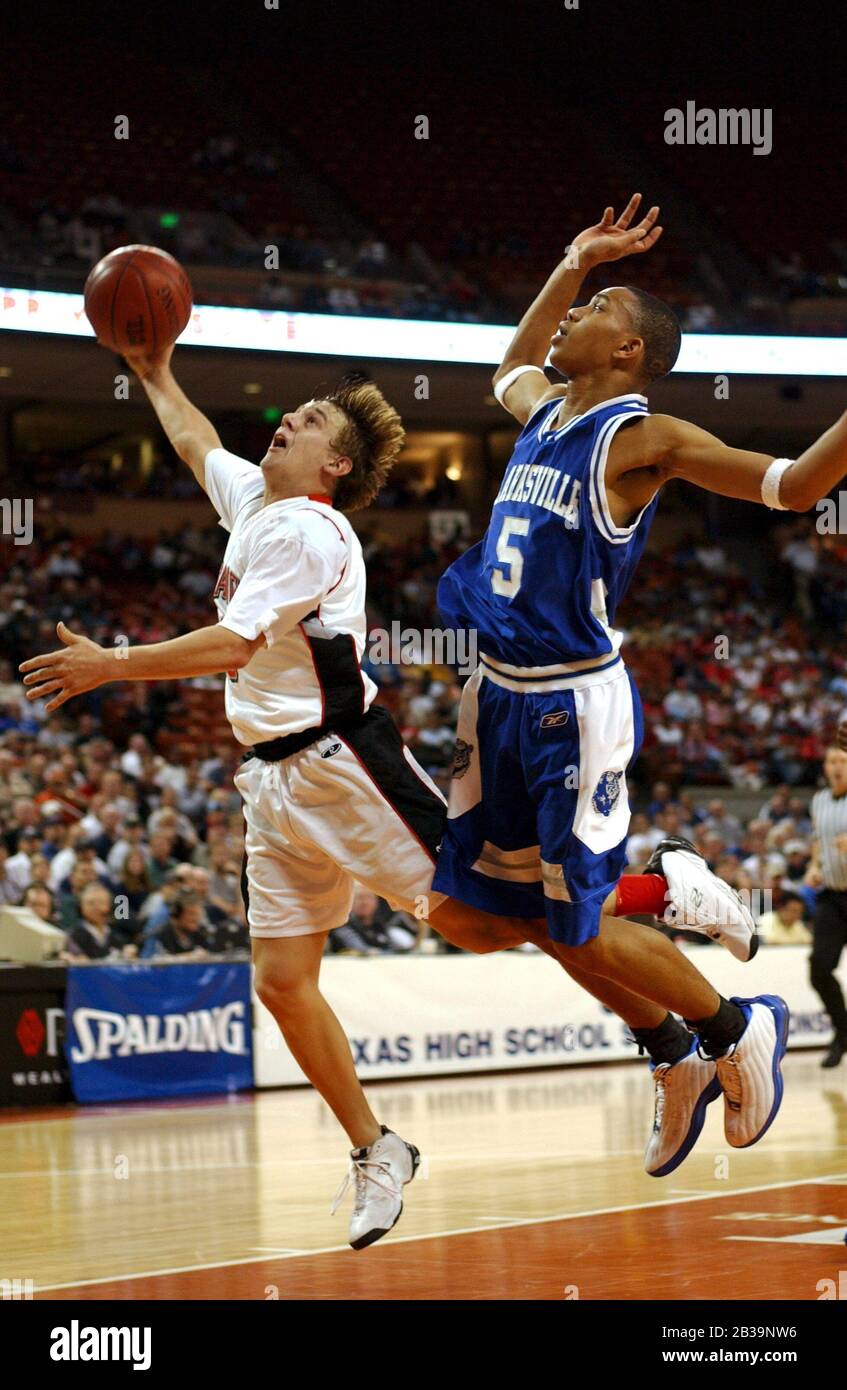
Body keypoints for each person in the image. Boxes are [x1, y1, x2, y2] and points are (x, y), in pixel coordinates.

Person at [18, 324, 755, 1246]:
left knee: (493, 925)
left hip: (341, 763)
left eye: (310, 419)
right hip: (270, 783)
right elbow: (194, 441)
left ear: (335, 465)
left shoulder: (306, 529)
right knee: (283, 984)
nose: (284, 421)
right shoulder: (255, 499)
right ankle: (377, 1150)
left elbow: (234, 645)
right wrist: (156, 371)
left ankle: (663, 890)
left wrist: (111, 665)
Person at [431, 190, 847, 1175]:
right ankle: (669, 922)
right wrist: (573, 262)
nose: (575, 314)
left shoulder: (639, 440)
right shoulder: (541, 414)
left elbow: (792, 487)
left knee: (568, 924)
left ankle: (731, 1023)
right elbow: (506, 368)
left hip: (569, 705)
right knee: (470, 916)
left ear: (629, 353)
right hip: (490, 691)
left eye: (597, 308)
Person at [805, 743, 847, 1067]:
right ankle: (842, 1032)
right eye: (831, 760)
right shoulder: (818, 801)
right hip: (833, 897)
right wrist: (814, 867)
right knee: (819, 968)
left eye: (842, 761)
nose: (836, 766)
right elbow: (818, 842)